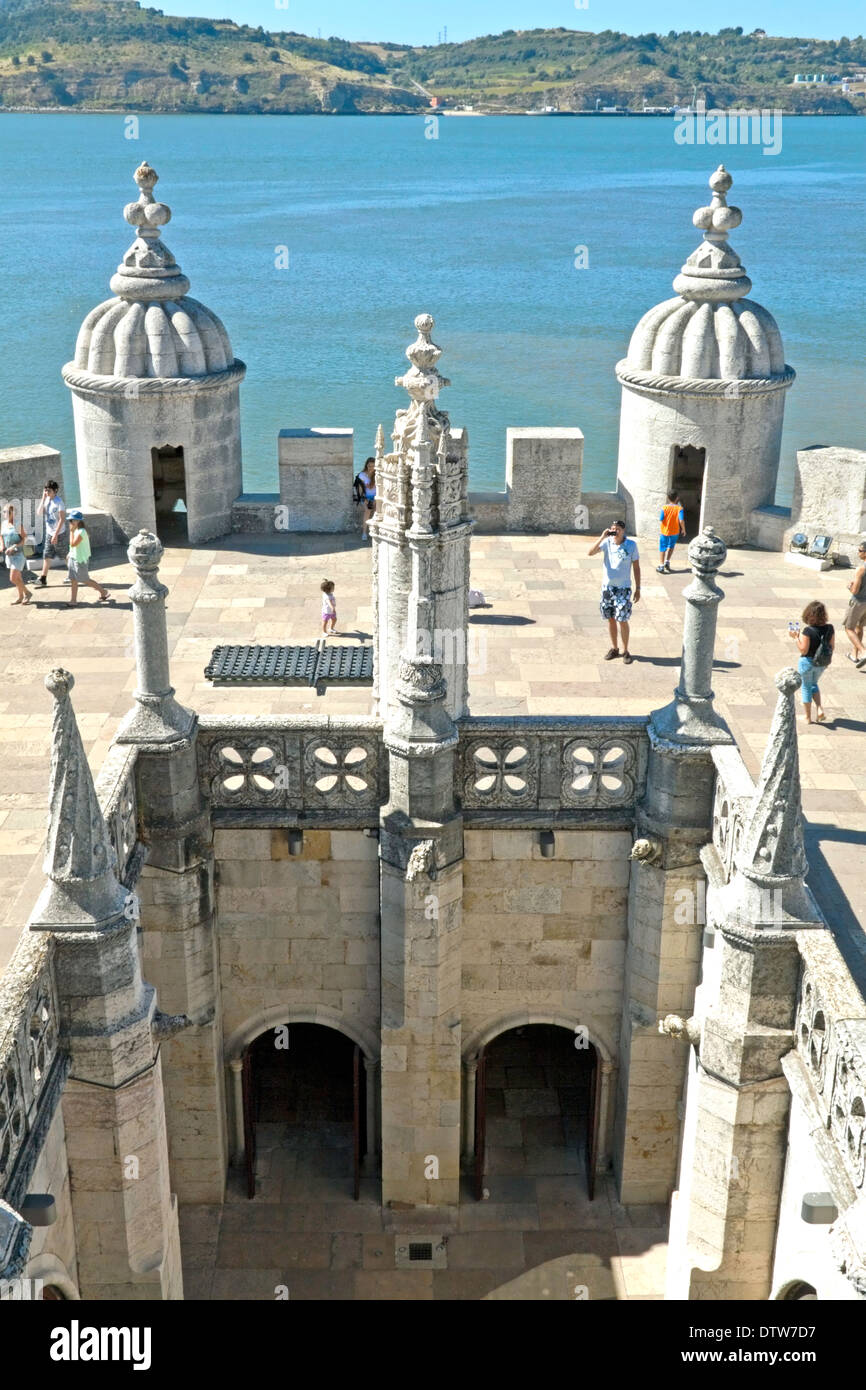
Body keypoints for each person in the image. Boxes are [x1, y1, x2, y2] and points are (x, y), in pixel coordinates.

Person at [588, 519, 641, 664]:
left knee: (622, 619)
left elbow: (636, 567)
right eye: (613, 528)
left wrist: (638, 588)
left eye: (617, 528)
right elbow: (590, 552)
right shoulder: (607, 543)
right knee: (610, 618)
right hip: (607, 588)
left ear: (623, 530)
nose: (614, 531)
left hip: (623, 589)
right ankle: (614, 648)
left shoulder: (631, 545)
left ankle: (625, 650)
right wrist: (602, 537)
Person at [788, 600, 835, 726]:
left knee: (806, 687)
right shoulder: (830, 628)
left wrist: (796, 637)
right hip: (822, 663)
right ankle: (819, 708)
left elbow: (803, 649)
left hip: (807, 663)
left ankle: (808, 717)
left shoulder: (808, 631)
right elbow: (832, 647)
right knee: (814, 683)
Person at [66, 512, 111, 607]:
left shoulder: (82, 531)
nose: (71, 522)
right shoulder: (76, 530)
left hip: (80, 560)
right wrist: (69, 553)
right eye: (71, 520)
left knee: (85, 580)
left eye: (73, 520)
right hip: (73, 558)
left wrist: (71, 531)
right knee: (73, 580)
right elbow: (73, 547)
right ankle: (73, 600)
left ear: (79, 521)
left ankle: (103, 592)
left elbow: (73, 543)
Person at [36, 480, 67, 587]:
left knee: (65, 555)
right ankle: (43, 578)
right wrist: (43, 498)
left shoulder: (59, 502)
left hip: (59, 533)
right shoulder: (47, 499)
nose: (47, 492)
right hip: (49, 533)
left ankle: (73, 575)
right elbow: (39, 512)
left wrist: (56, 534)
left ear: (55, 491)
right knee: (47, 555)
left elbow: (62, 519)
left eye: (49, 490)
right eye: (46, 490)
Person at [1, 503, 33, 606]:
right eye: (3, 511)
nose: (4, 513)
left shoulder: (18, 524)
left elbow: (24, 539)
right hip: (9, 555)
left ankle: (27, 593)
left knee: (13, 578)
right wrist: (2, 546)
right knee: (18, 578)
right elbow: (1, 536)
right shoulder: (3, 524)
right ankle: (20, 597)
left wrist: (13, 546)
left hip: (19, 554)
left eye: (6, 512)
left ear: (12, 513)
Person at [842, 539, 866, 668]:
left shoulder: (861, 569)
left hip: (858, 602)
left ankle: (863, 651)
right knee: (859, 627)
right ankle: (854, 655)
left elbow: (855, 591)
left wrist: (849, 586)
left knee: (848, 628)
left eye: (860, 550)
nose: (858, 552)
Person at [657, 490, 686, 574]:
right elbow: (681, 520)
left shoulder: (664, 508)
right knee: (671, 546)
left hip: (665, 531)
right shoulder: (679, 509)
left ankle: (661, 566)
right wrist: (683, 529)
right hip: (675, 531)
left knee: (663, 547)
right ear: (677, 498)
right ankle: (667, 562)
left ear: (668, 498)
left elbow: (661, 519)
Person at [358, 457, 376, 541]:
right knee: (368, 510)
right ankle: (364, 533)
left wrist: (376, 499)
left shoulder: (378, 474)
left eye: (373, 466)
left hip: (376, 497)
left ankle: (376, 532)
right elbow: (360, 490)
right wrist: (365, 499)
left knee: (378, 511)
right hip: (366, 497)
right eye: (369, 466)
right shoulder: (362, 475)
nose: (371, 468)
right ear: (366, 465)